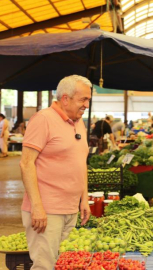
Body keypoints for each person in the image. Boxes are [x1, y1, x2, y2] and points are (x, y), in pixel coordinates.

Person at [19, 75, 92, 269]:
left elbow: (80, 162)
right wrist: (37, 207)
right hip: (47, 211)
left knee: (65, 264)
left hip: (70, 208)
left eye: (88, 100)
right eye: (83, 99)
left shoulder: (78, 122)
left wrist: (83, 198)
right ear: (66, 98)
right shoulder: (43, 119)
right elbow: (26, 164)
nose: (86, 104)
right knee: (45, 265)